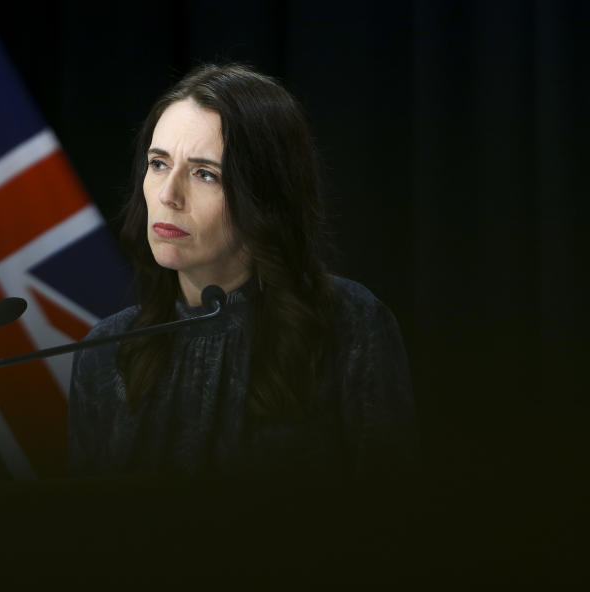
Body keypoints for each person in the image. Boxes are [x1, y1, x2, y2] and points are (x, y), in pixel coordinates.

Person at [67, 63, 417, 484]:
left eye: (204, 174)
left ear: (265, 194)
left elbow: (390, 522)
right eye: (158, 163)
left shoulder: (348, 324)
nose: (168, 195)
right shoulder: (106, 349)